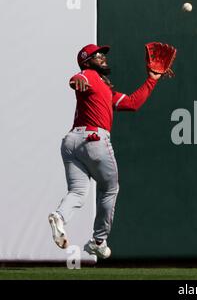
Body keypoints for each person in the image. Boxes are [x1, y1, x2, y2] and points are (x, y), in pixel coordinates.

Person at [48, 44, 162, 259]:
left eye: (102, 54)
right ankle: (99, 241)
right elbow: (76, 79)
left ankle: (60, 217)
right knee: (109, 189)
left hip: (72, 142)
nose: (102, 57)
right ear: (87, 61)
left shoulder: (105, 88)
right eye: (96, 55)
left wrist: (152, 80)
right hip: (94, 139)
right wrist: (76, 81)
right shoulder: (88, 75)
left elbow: (131, 103)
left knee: (78, 192)